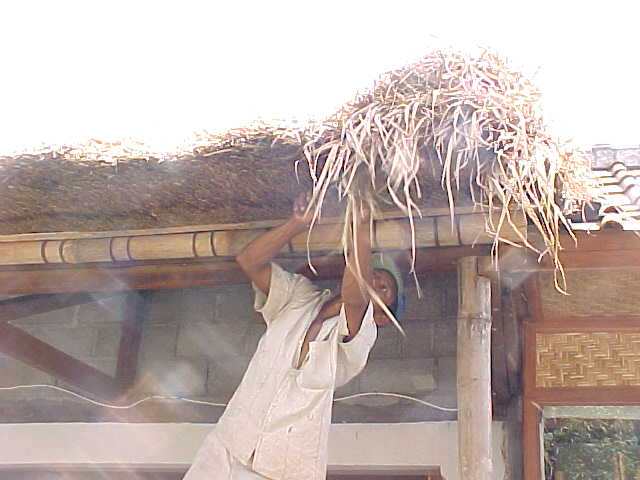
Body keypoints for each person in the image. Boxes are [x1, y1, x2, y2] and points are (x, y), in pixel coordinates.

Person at [184, 192, 404, 480]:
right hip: (230, 445)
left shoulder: (361, 336)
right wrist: (297, 223)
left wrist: (360, 225)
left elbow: (356, 296)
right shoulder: (300, 297)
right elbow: (249, 261)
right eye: (375, 274)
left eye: (385, 288)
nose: (376, 281)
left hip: (282, 468)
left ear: (381, 317)